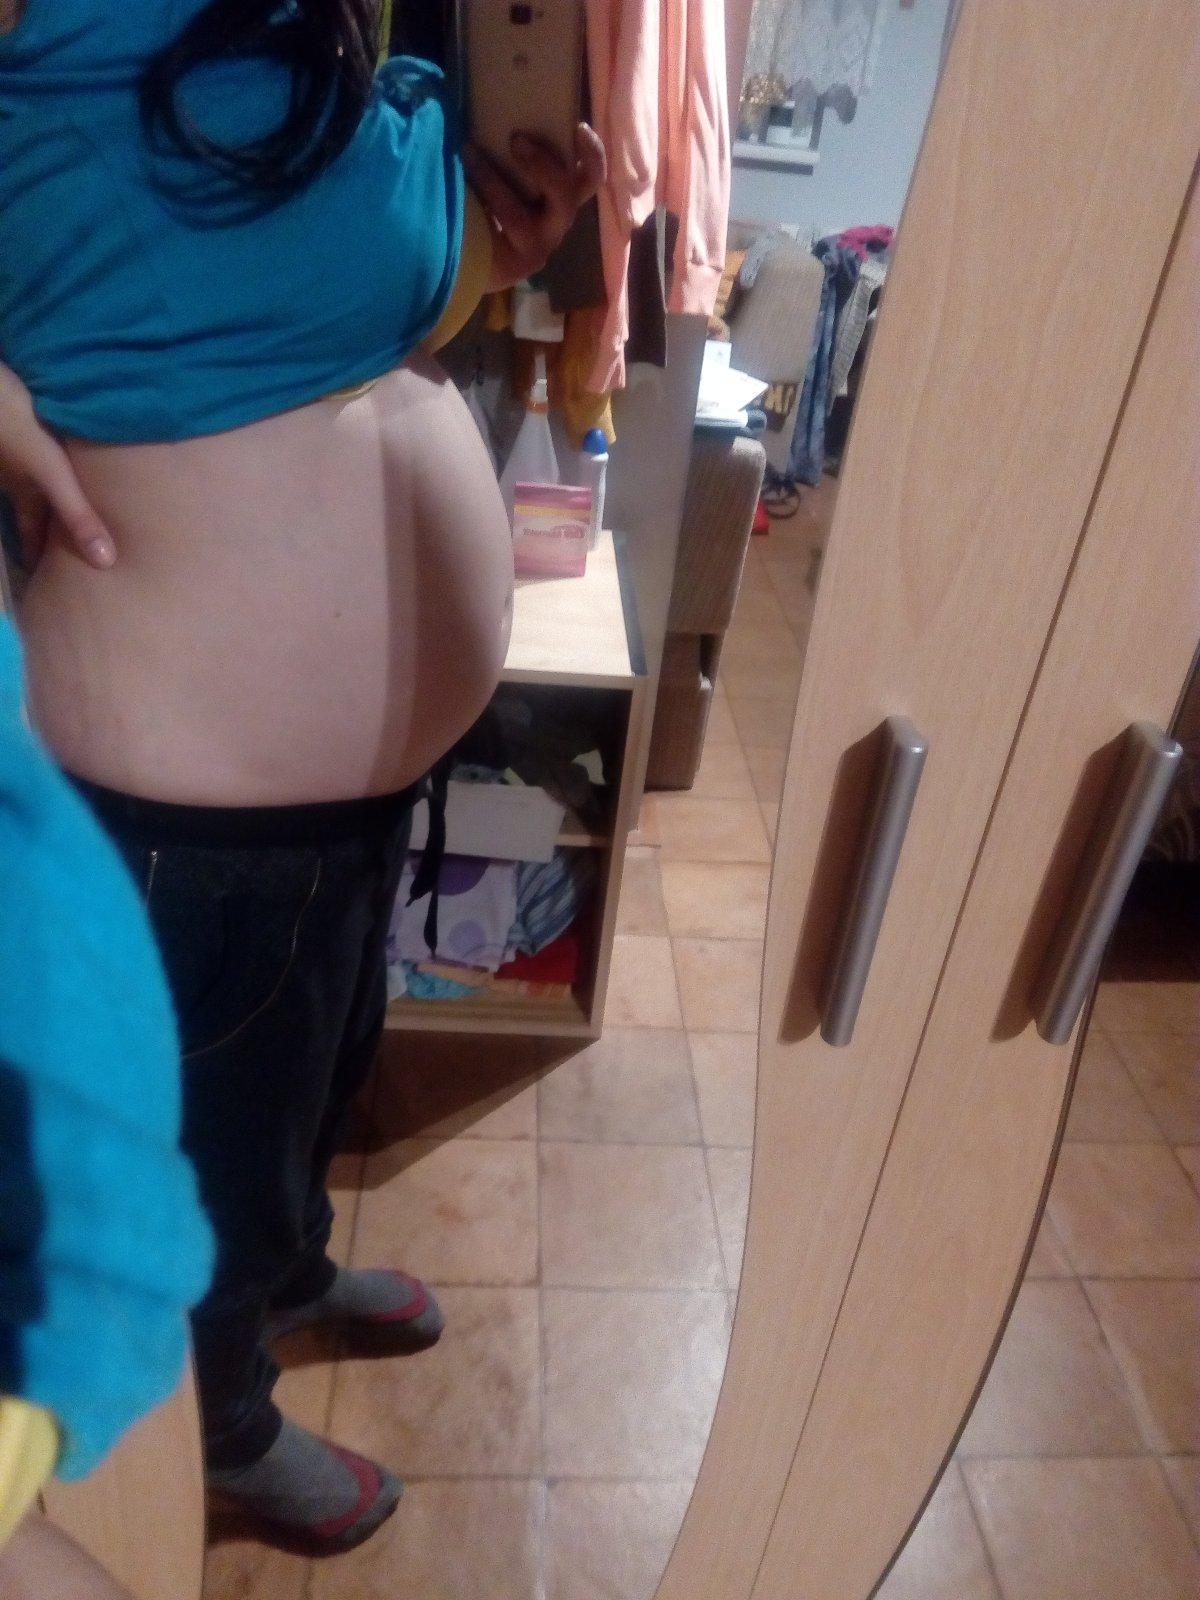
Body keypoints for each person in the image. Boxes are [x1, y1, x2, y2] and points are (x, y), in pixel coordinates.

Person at [0, 0, 605, 1552]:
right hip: (177, 823)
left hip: (341, 810)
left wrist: (494, 250)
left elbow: (303, 292)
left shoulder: (328, 56)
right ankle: (213, 1431)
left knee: (313, 1082)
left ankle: (285, 1274)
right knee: (200, 1162)